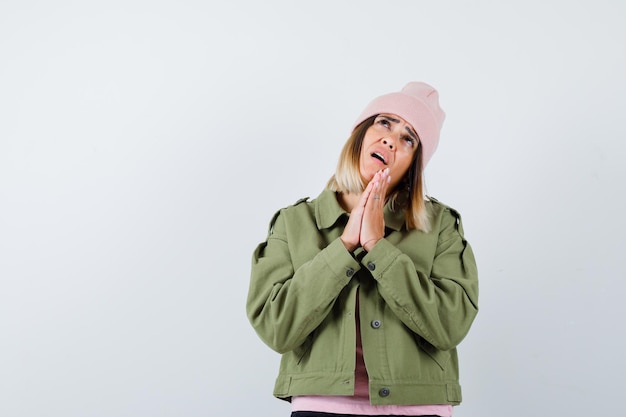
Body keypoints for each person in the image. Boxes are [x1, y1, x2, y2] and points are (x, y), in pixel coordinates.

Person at [246, 82, 479, 417]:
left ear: (413, 164)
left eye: (408, 137)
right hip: (321, 407)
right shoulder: (293, 223)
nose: (391, 139)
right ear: (361, 133)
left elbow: (450, 326)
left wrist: (377, 247)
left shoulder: (440, 226)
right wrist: (343, 247)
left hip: (418, 407)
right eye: (384, 122)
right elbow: (275, 327)